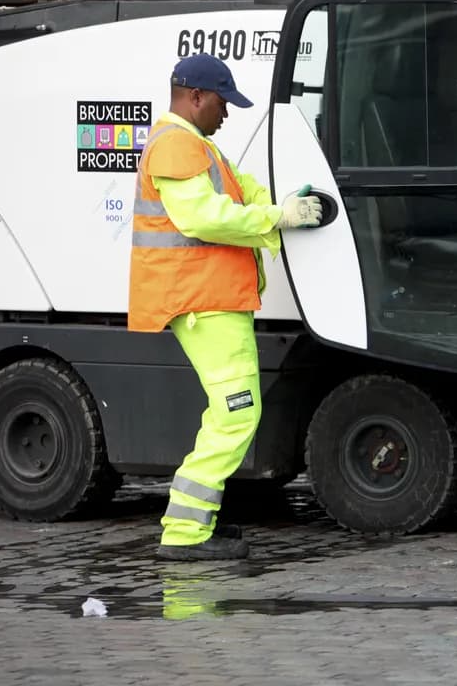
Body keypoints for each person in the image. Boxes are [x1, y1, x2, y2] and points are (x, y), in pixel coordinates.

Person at [128, 53, 323, 561]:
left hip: (210, 299)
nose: (227, 113)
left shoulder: (197, 146)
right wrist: (279, 217)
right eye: (222, 102)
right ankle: (186, 535)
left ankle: (193, 527)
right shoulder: (176, 145)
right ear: (195, 97)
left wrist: (288, 202)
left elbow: (243, 191)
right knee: (236, 415)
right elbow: (205, 217)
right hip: (202, 301)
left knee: (232, 413)